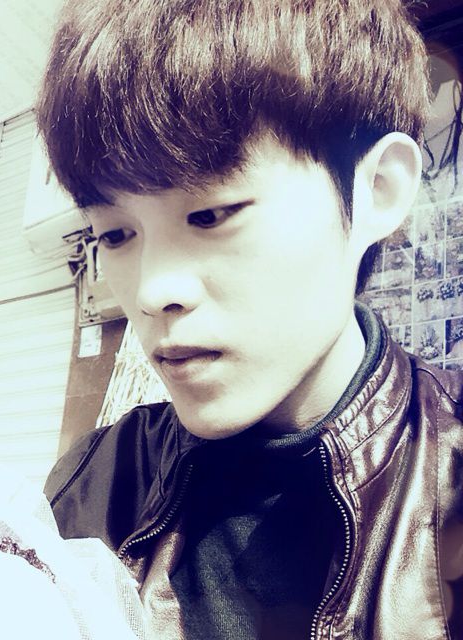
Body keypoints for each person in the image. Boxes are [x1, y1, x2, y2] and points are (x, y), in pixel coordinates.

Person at [37, 1, 463, 638]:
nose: (152, 293)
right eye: (116, 233)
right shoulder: (95, 481)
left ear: (377, 190)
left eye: (210, 215)